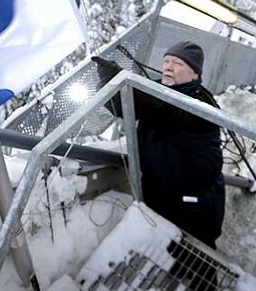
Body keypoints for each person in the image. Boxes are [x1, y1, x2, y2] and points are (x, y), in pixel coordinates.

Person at [96, 41, 225, 248]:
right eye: (166, 61)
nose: (168, 66)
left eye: (178, 63)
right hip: (160, 196)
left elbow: (161, 108)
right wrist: (108, 84)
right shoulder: (157, 90)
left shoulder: (201, 104)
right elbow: (126, 106)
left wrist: (119, 79)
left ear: (195, 76)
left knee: (198, 262)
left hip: (194, 208)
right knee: (165, 254)